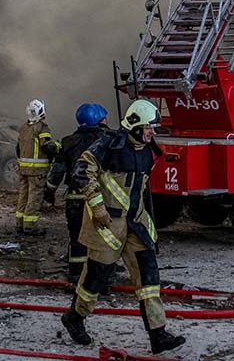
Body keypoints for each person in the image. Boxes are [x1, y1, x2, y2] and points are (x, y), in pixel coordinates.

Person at [60, 99, 185, 354]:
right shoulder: (109, 144)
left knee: (149, 278)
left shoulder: (147, 148)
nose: (153, 132)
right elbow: (82, 170)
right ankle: (75, 317)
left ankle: (158, 334)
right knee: (96, 276)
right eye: (150, 127)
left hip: (136, 223)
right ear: (137, 125)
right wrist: (97, 207)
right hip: (107, 224)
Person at [47, 103, 110, 282]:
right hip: (100, 198)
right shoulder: (107, 140)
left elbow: (57, 171)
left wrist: (49, 191)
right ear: (98, 120)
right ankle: (103, 278)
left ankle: (76, 274)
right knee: (103, 238)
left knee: (77, 238)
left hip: (75, 199)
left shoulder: (67, 142)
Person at [15, 99, 58, 234]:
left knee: (23, 195)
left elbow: (18, 148)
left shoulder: (23, 127)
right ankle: (30, 226)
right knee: (34, 197)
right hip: (37, 171)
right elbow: (47, 146)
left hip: (23, 169)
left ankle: (19, 224)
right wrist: (58, 146)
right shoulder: (42, 128)